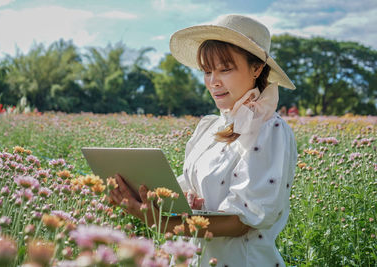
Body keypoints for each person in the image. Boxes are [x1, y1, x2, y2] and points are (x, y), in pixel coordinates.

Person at [110, 14, 297, 267]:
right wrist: (176, 201)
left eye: (225, 69)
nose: (213, 81)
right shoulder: (209, 127)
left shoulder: (270, 129)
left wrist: (161, 222)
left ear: (257, 68)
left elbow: (241, 222)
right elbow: (191, 190)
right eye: (207, 71)